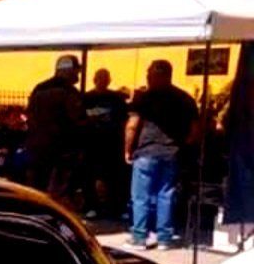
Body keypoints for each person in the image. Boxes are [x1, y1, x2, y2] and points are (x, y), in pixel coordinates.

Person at [124, 60, 198, 250]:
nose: (147, 77)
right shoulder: (184, 98)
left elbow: (132, 125)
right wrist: (182, 144)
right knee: (166, 195)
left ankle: (139, 237)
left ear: (160, 75)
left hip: (147, 152)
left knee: (141, 197)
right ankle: (164, 237)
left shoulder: (145, 98)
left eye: (149, 73)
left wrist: (127, 149)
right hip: (171, 153)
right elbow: (195, 129)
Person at [26, 54, 85, 205]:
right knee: (58, 194)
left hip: (37, 148)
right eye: (76, 71)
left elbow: (30, 114)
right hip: (61, 150)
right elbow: (77, 120)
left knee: (37, 192)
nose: (78, 75)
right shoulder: (69, 91)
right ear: (69, 70)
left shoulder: (39, 88)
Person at [82, 68, 128, 218]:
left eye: (105, 78)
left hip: (112, 144)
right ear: (95, 79)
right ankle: (91, 206)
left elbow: (123, 120)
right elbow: (80, 119)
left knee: (114, 177)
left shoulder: (116, 99)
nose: (103, 80)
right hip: (91, 144)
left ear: (109, 80)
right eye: (100, 78)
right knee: (89, 176)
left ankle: (116, 208)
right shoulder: (86, 98)